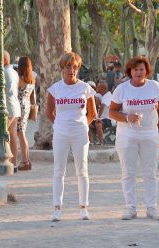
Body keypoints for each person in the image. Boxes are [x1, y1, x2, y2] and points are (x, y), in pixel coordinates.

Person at [109, 56, 159, 220]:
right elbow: (112, 112)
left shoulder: (154, 87)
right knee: (128, 172)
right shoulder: (122, 89)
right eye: (135, 70)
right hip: (127, 135)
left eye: (142, 69)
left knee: (150, 172)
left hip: (150, 134)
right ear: (130, 71)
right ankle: (130, 207)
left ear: (146, 71)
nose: (139, 72)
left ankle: (152, 207)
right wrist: (127, 117)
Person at [46, 52, 97, 221]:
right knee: (59, 171)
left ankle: (83, 207)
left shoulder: (85, 88)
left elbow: (93, 113)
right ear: (62, 68)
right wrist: (59, 124)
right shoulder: (55, 89)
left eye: (75, 67)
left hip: (80, 133)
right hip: (60, 133)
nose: (72, 70)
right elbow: (49, 112)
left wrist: (82, 125)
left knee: (82, 170)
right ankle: (57, 208)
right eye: (68, 66)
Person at [16, 57, 36, 171]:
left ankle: (24, 160)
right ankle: (27, 160)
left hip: (19, 106)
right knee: (22, 133)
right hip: (27, 105)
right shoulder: (32, 79)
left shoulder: (20, 79)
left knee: (20, 134)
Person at [4, 51, 21, 170]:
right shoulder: (14, 72)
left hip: (9, 108)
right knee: (12, 135)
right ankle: (13, 163)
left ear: (4, 60)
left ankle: (3, 161)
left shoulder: (5, 72)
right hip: (15, 106)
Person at [92, 81, 113, 146]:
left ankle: (101, 143)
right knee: (87, 123)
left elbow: (102, 106)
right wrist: (95, 98)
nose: (96, 88)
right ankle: (91, 142)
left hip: (107, 118)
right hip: (99, 117)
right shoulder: (100, 94)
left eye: (98, 87)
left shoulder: (108, 96)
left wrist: (98, 118)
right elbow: (93, 96)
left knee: (98, 124)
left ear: (103, 88)